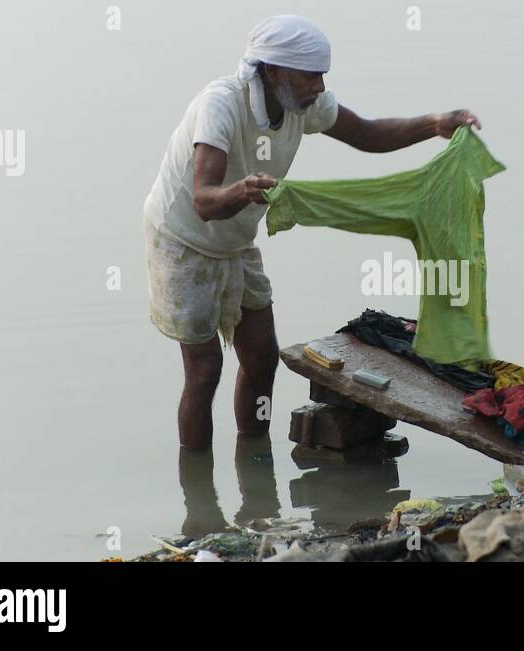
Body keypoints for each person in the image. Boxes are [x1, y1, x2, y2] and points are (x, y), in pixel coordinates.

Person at [143, 14, 481, 450]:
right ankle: (200, 501)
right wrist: (245, 190)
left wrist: (434, 124)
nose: (319, 86)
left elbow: (365, 133)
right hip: (181, 238)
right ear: (273, 70)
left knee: (263, 359)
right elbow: (204, 201)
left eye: (322, 75)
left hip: (236, 239)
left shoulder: (303, 105)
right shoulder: (221, 105)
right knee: (204, 369)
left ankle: (254, 462)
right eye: (311, 75)